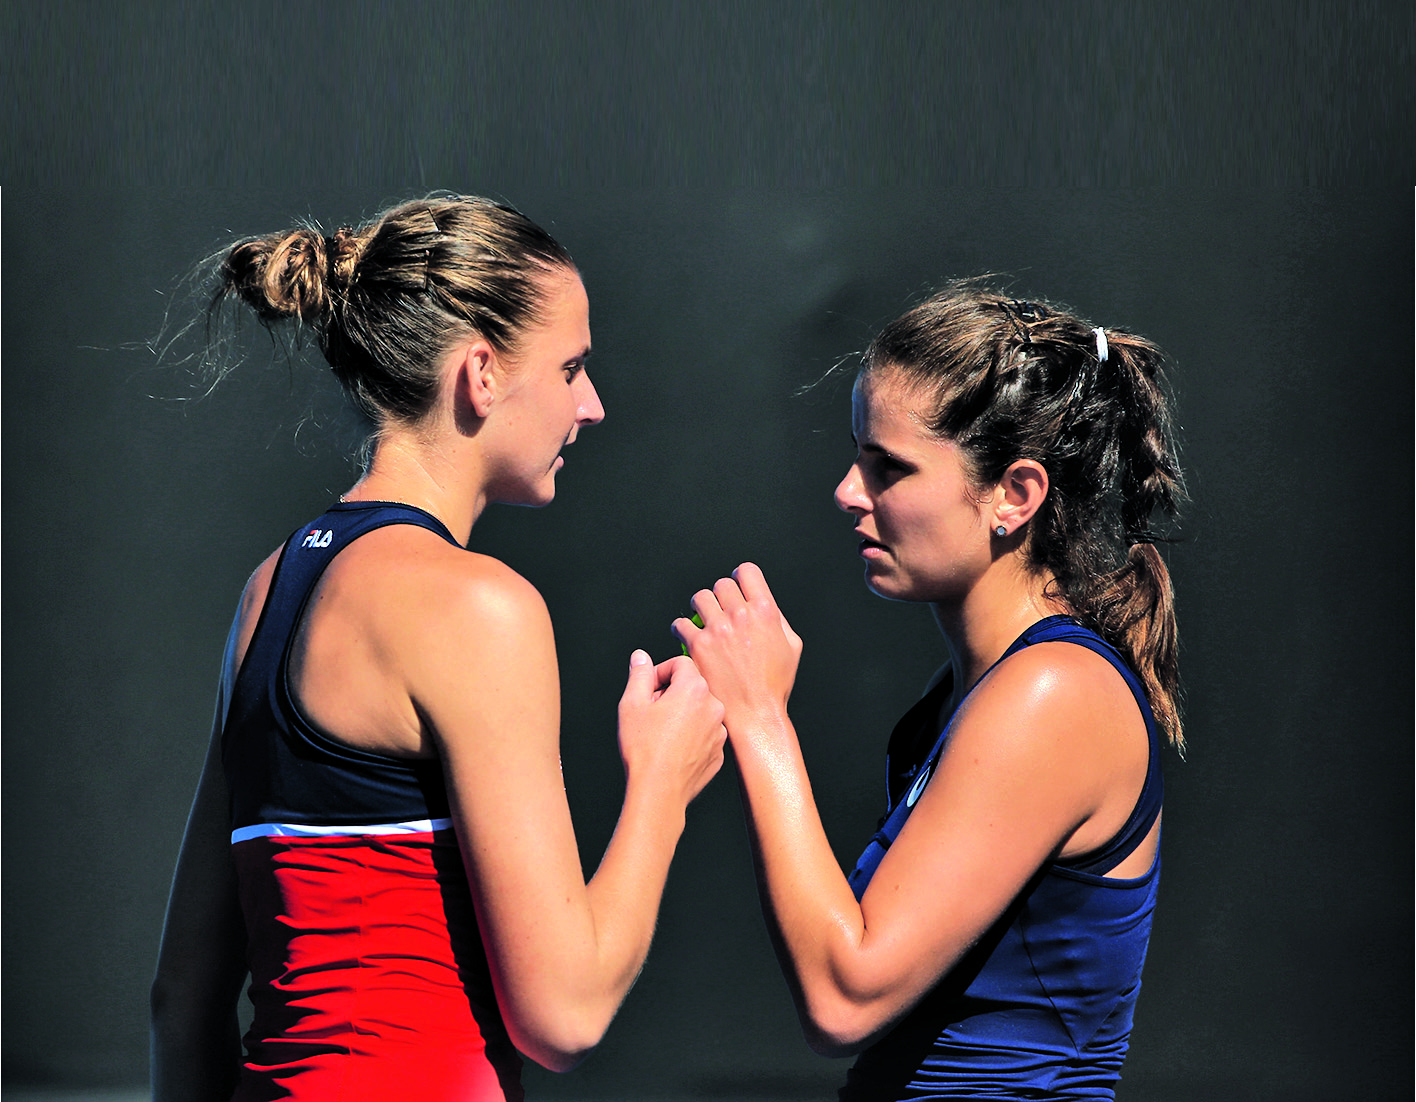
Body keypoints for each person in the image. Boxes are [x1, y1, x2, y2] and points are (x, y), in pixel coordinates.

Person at [150, 196, 727, 1102]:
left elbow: (180, 998)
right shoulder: (477, 608)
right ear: (483, 373)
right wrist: (663, 780)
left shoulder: (267, 590)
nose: (593, 405)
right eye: (572, 367)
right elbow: (564, 1016)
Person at [677, 285, 1184, 1100]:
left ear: (1014, 496)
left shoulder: (1053, 693)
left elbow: (845, 996)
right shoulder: (961, 699)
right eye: (856, 456)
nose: (848, 492)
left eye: (890, 468)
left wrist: (761, 717)